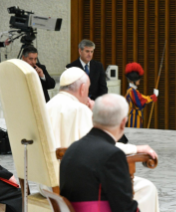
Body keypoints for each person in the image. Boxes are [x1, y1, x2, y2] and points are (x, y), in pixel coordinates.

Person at [47, 67, 160, 212]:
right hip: (85, 185)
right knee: (147, 188)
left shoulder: (48, 105)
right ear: (82, 89)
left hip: (57, 183)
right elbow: (98, 148)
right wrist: (136, 149)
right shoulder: (79, 109)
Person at [60, 94, 139, 212]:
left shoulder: (73, 148)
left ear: (92, 118)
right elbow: (125, 208)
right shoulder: (113, 155)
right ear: (123, 122)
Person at [125, 62, 159, 128]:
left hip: (134, 116)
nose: (139, 80)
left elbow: (142, 97)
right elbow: (140, 102)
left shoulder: (131, 90)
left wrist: (153, 96)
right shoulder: (132, 91)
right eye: (138, 78)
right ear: (134, 79)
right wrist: (153, 97)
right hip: (134, 117)